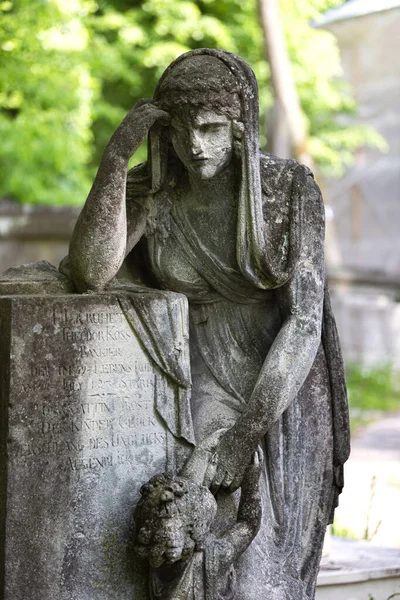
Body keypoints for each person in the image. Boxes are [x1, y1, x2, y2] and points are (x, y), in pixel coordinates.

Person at [68, 49, 350, 599]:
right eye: (181, 130)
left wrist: (249, 430)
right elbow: (89, 273)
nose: (195, 145)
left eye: (212, 128)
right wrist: (117, 157)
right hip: (195, 372)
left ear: (240, 127)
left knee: (271, 563)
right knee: (187, 532)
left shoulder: (287, 192)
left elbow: (303, 321)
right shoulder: (157, 191)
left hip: (279, 378)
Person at [133, 449, 262, 600]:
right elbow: (248, 526)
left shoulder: (157, 565)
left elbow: (183, 490)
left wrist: (203, 451)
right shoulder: (214, 556)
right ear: (197, 523)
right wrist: (252, 483)